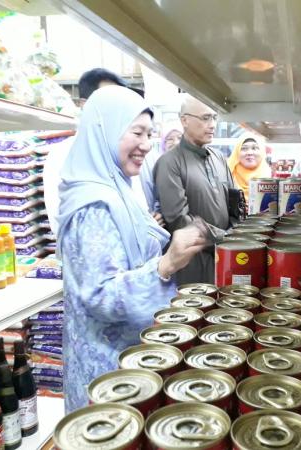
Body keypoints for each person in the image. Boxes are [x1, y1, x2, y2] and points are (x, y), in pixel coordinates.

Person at [56, 86, 208, 412]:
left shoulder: (118, 189)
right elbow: (101, 296)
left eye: (149, 134)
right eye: (137, 132)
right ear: (105, 132)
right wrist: (165, 265)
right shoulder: (93, 207)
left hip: (127, 357)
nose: (146, 144)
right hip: (107, 369)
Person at [43, 68, 161, 234]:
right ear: (86, 105)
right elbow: (62, 223)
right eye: (108, 100)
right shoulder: (61, 155)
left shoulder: (121, 155)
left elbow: (139, 205)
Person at [154, 95, 237, 285]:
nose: (212, 125)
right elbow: (179, 220)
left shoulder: (219, 158)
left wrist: (237, 235)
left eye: (214, 118)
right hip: (192, 264)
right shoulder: (169, 163)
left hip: (226, 258)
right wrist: (226, 238)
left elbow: (235, 204)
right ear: (184, 120)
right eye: (205, 118)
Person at [140, 122, 183, 212]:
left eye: (180, 138)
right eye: (170, 139)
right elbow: (156, 198)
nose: (176, 142)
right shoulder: (158, 167)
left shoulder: (193, 165)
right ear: (164, 144)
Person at [227, 132, 272, 201]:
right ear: (237, 152)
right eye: (244, 148)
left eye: (254, 148)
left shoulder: (269, 178)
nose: (249, 153)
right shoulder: (228, 175)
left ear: (262, 152)